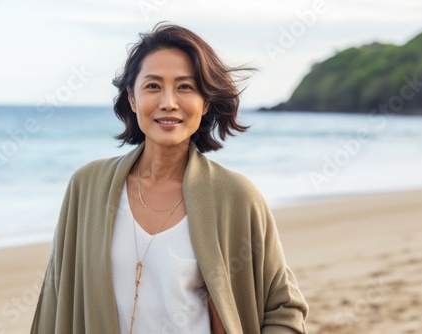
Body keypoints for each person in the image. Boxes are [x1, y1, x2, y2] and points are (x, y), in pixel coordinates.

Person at [31, 22, 308, 334]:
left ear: (205, 102)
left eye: (185, 87)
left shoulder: (236, 196)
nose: (168, 102)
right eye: (153, 86)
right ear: (132, 99)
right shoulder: (87, 187)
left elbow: (285, 308)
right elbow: (54, 304)